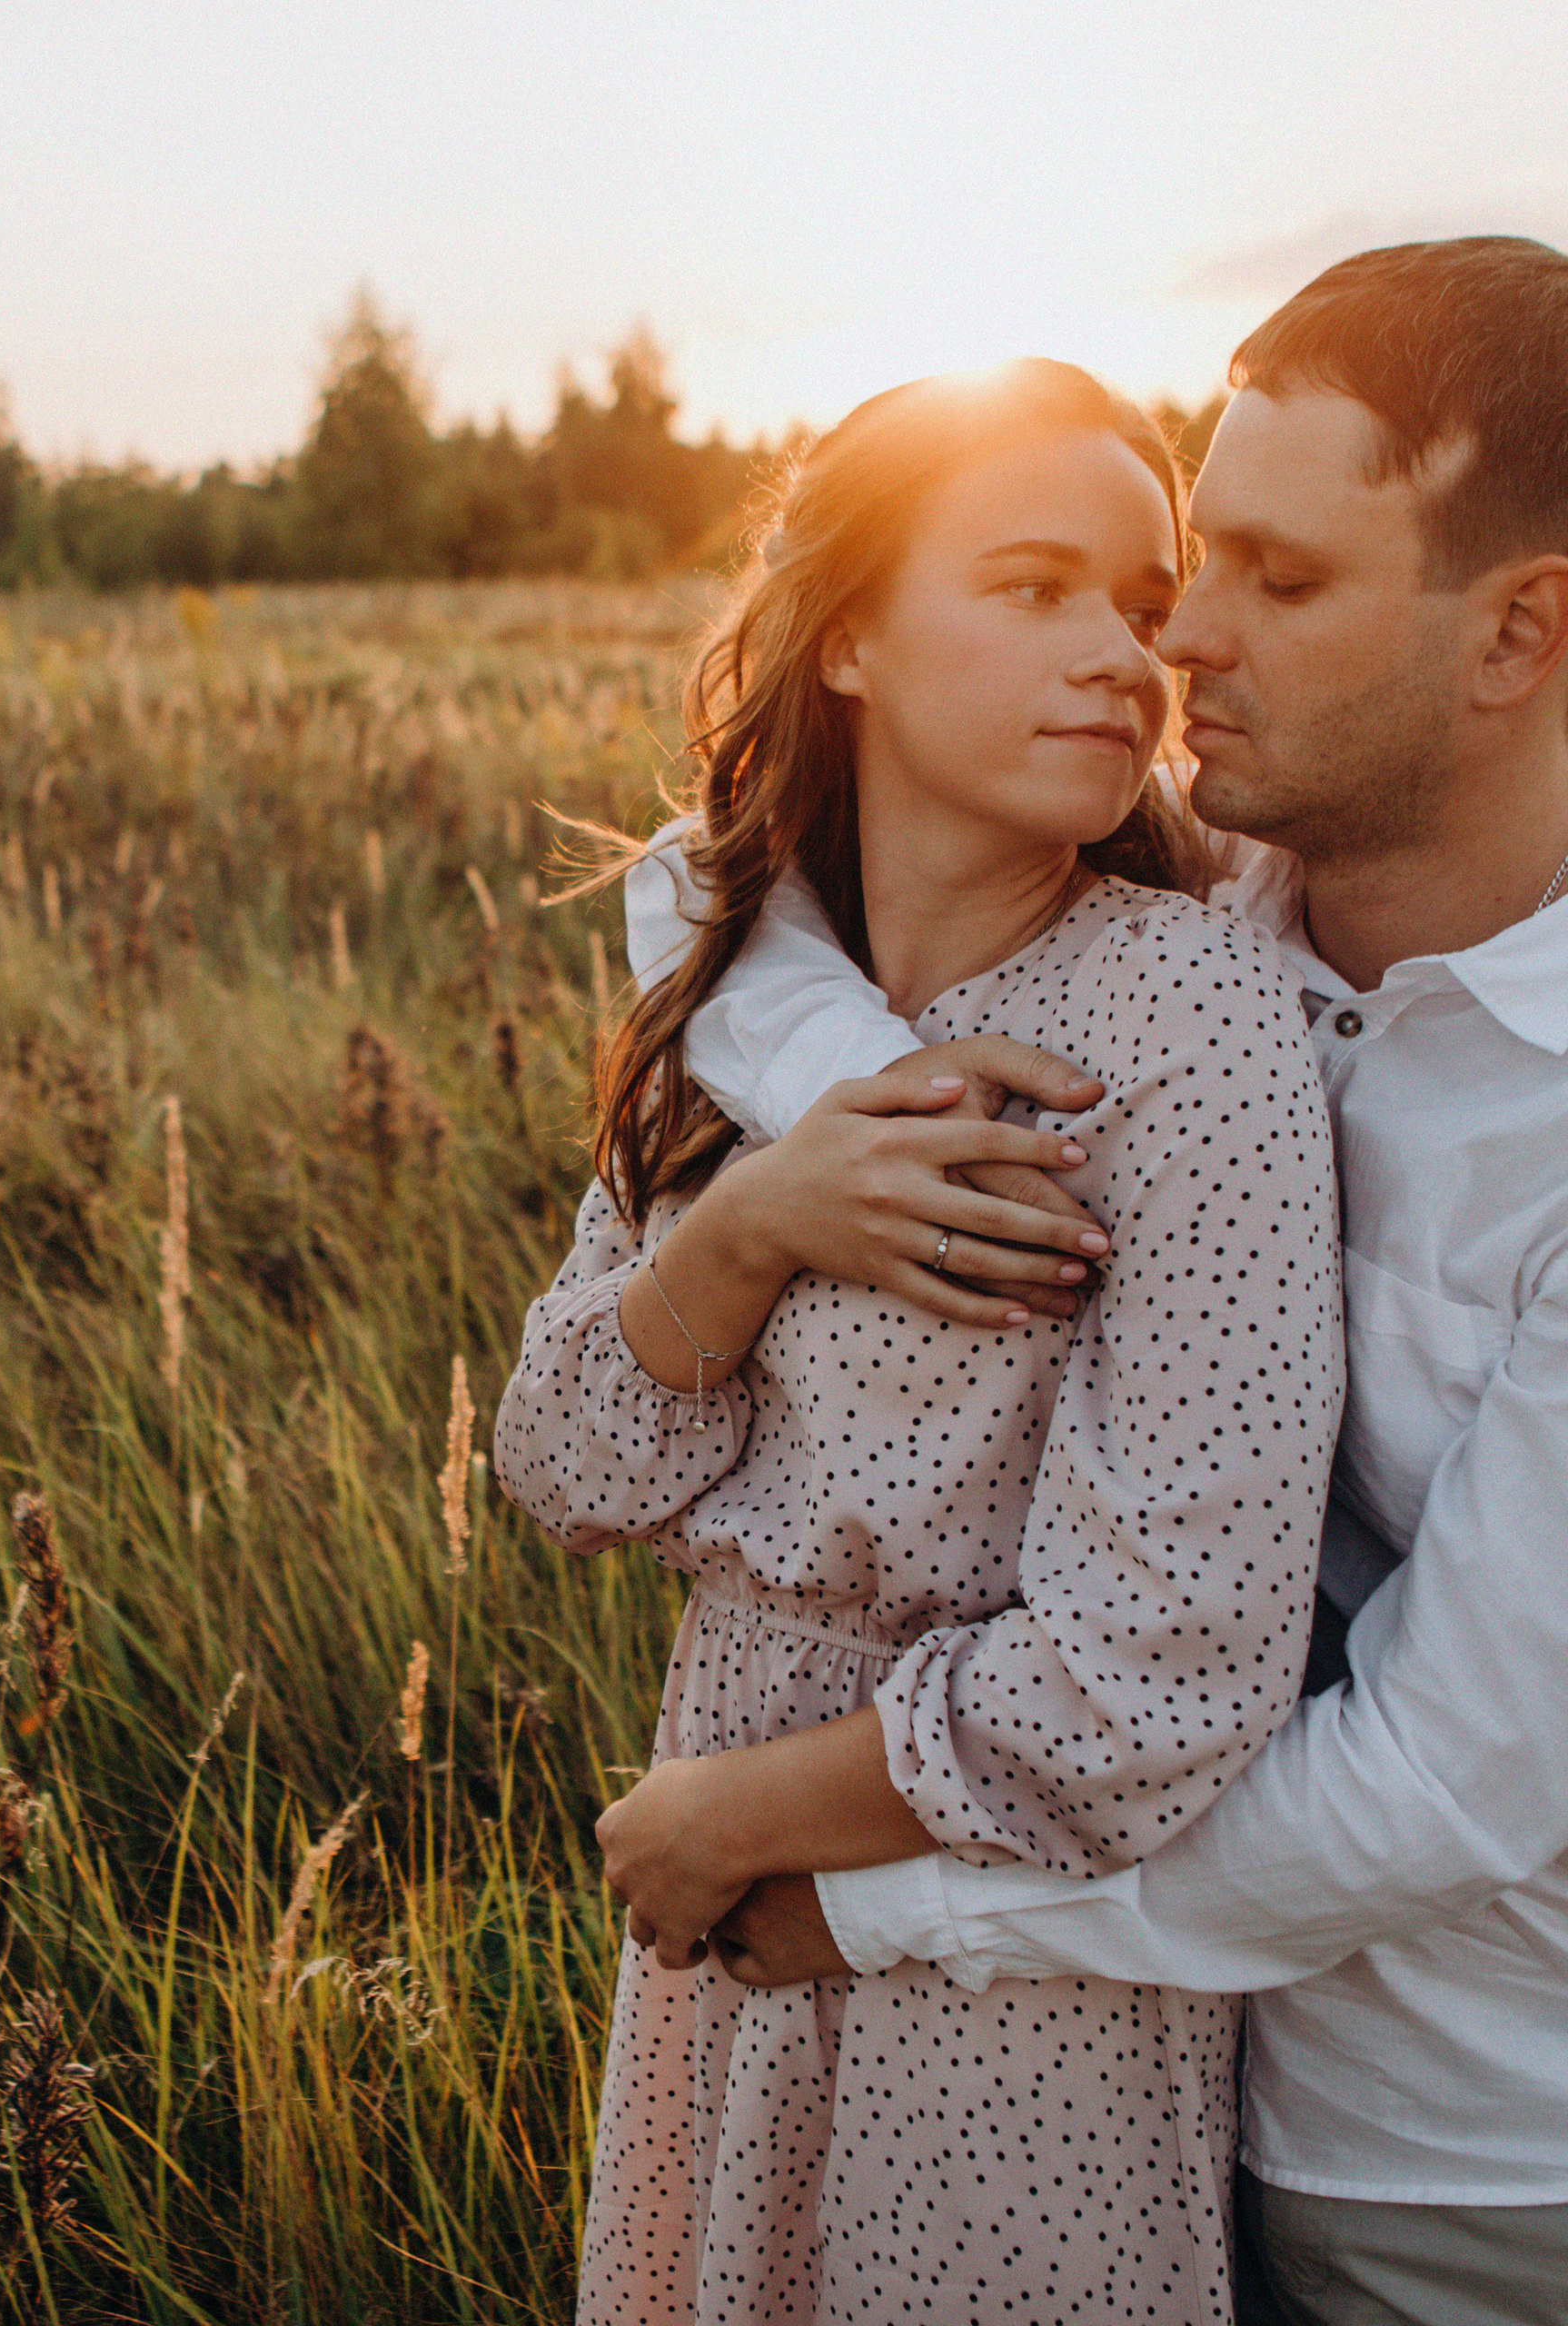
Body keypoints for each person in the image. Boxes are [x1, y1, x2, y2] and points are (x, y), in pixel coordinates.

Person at [612, 237, 1568, 2326]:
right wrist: (851, 1132)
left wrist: (878, 1901)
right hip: (1168, 2080)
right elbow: (713, 873)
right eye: (1177, 571)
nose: (1176, 648)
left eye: (1275, 583)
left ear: (1521, 630)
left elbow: (1440, 1779)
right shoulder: (1241, 885)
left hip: (1482, 2154)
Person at [492, 357, 1345, 2325]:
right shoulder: (734, 1007)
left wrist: (732, 1815)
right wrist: (754, 1225)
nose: (1117, 658)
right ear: (852, 631)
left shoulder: (1187, 1031)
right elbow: (568, 1463)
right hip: (712, 1948)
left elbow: (1160, 1678)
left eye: (1141, 606)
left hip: (996, 1946)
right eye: (1032, 585)